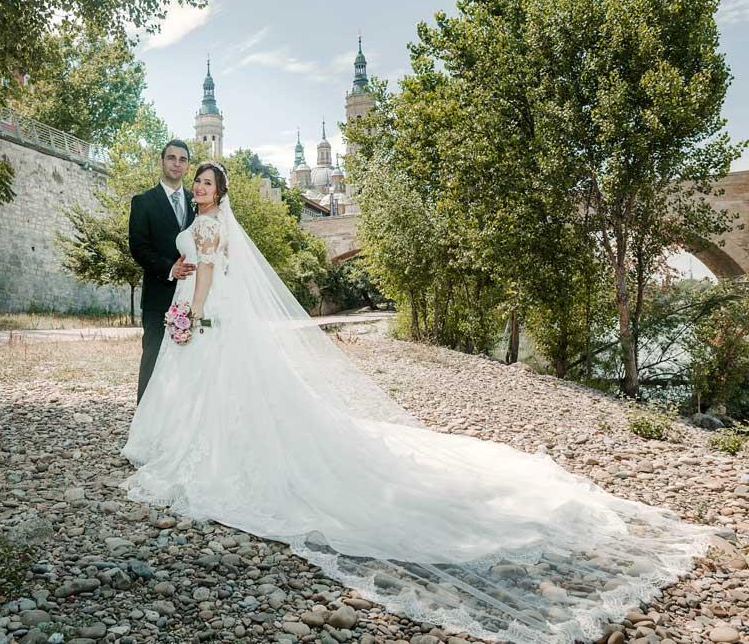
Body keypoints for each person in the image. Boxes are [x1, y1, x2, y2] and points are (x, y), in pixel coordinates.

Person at [122, 161, 716, 644]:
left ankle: (203, 451)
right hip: (207, 310)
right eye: (197, 181)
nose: (199, 187)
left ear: (217, 192)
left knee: (209, 388)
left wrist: (191, 314)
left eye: (206, 182)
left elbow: (205, 277)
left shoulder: (207, 223)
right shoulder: (214, 224)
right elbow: (202, 265)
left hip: (203, 315)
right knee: (221, 391)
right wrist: (185, 281)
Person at [128, 140, 196, 403]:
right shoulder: (144, 201)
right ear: (162, 161)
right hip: (159, 295)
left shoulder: (197, 201)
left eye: (182, 159)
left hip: (192, 297)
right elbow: (138, 247)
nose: (177, 163)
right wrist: (169, 268)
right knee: (153, 359)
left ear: (188, 165)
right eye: (171, 158)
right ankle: (144, 421)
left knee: (189, 361)